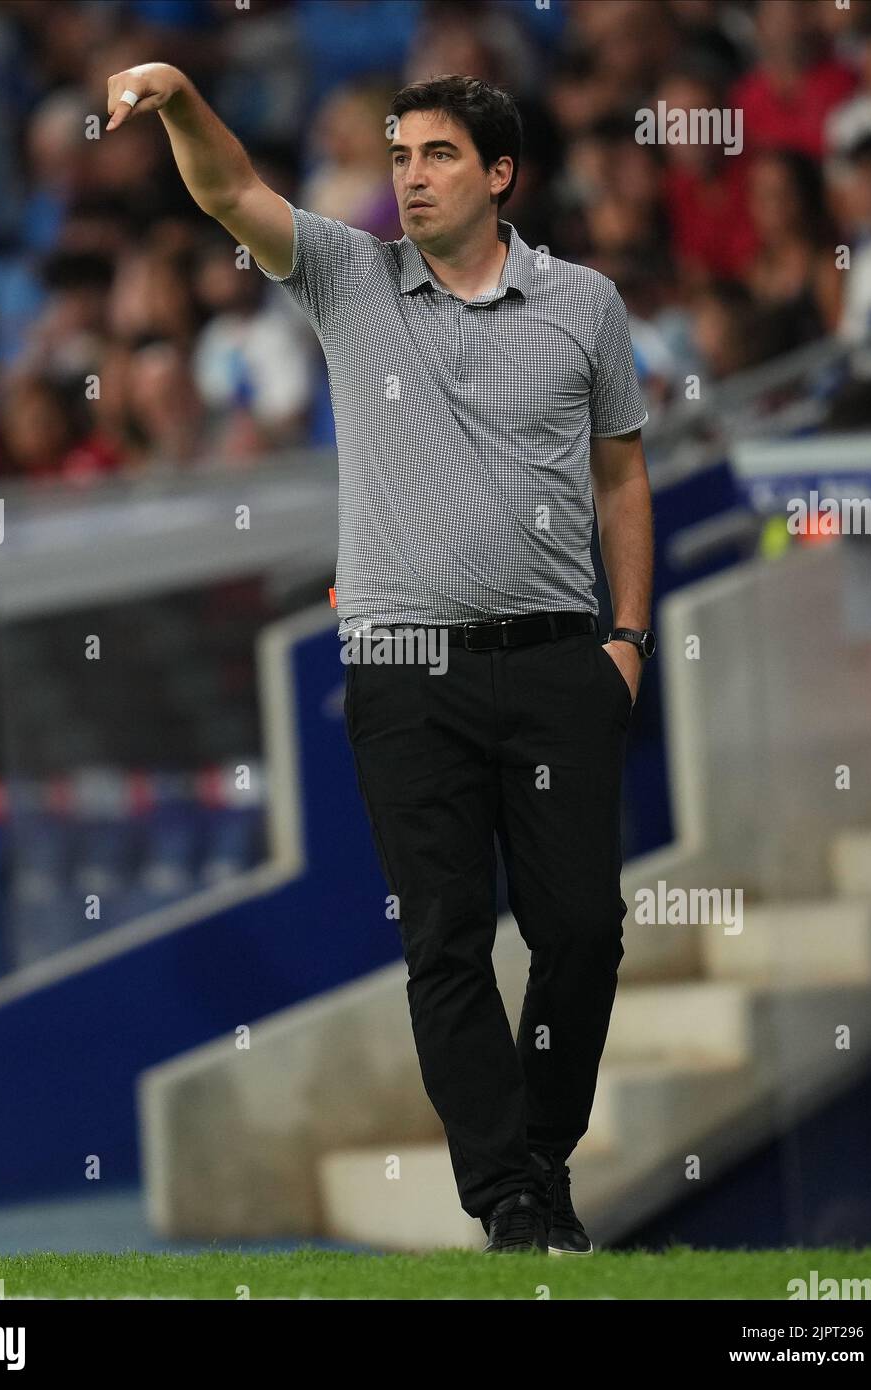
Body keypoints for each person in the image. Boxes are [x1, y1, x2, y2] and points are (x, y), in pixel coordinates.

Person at [106, 64, 655, 1255]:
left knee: (580, 935)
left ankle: (540, 1161)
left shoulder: (585, 304)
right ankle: (509, 1202)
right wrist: (183, 98)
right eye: (398, 155)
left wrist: (626, 638)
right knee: (444, 938)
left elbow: (621, 475)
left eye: (437, 156)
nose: (408, 176)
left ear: (499, 173)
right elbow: (226, 191)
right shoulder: (346, 276)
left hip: (562, 659)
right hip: (404, 674)